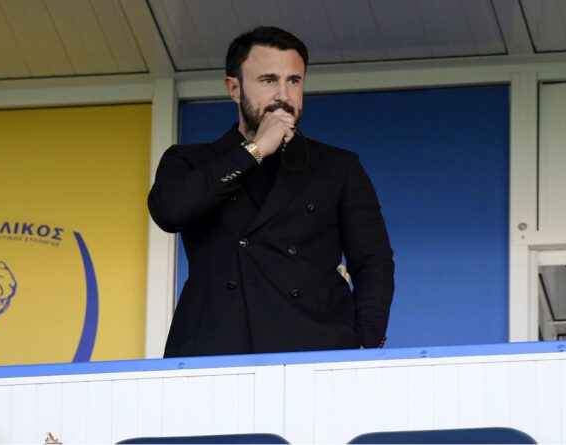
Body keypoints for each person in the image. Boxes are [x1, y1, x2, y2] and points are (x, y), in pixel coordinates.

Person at [148, 26, 394, 358]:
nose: (284, 95)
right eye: (268, 80)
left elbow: (374, 260)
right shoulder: (191, 160)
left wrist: (364, 344)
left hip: (317, 347)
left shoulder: (338, 166)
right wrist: (254, 151)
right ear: (234, 89)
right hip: (216, 348)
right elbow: (168, 211)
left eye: (294, 81)